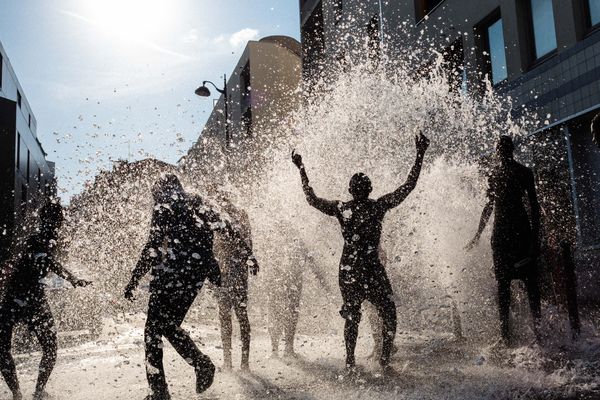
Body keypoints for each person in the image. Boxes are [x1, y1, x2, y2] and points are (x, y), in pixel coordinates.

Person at [291, 132, 430, 374]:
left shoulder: (341, 208)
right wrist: (420, 154)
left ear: (349, 190)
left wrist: (301, 168)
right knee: (389, 313)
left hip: (349, 270)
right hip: (371, 268)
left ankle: (350, 363)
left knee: (352, 316)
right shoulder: (378, 207)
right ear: (370, 189)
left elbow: (311, 198)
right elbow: (407, 187)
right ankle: (385, 361)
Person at [124, 175, 257, 400]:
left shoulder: (163, 206)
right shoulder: (199, 201)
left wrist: (134, 279)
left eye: (155, 193)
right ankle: (190, 371)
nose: (154, 197)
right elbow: (226, 227)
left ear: (161, 190)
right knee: (167, 326)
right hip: (195, 276)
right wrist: (248, 254)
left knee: (153, 330)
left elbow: (153, 247)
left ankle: (169, 385)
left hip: (171, 275)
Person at [0, 200, 91, 400]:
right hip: (31, 297)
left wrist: (72, 279)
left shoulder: (37, 237)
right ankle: (38, 392)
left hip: (14, 296)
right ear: (58, 220)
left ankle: (17, 393)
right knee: (50, 347)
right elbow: (47, 261)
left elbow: (45, 261)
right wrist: (72, 279)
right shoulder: (46, 237)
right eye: (60, 219)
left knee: (3, 348)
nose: (60, 223)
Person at [466, 135, 541, 345]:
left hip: (510, 232)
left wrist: (536, 240)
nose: (502, 153)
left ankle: (512, 334)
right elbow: (490, 206)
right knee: (513, 284)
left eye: (501, 149)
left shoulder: (519, 173)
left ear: (503, 151)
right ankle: (517, 334)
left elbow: (533, 207)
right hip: (508, 233)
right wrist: (478, 234)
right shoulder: (503, 173)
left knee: (515, 284)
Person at [212, 199, 258, 371]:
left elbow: (248, 241)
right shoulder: (235, 214)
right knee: (234, 315)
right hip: (229, 271)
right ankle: (235, 362)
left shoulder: (234, 214)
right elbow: (248, 242)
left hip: (230, 270)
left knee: (233, 315)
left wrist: (249, 259)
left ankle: (236, 362)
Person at [267, 235, 331, 359]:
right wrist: (322, 280)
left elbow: (310, 259)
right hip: (285, 280)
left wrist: (322, 280)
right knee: (283, 312)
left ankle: (282, 349)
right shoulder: (278, 238)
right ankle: (281, 349)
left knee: (283, 312)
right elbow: (310, 260)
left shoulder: (289, 239)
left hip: (288, 280)